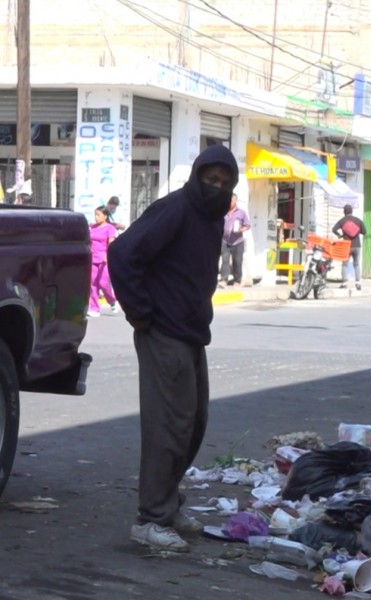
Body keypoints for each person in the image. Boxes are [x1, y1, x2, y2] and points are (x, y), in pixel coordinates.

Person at [107, 144, 239, 553]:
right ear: (196, 175)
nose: (215, 187)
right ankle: (151, 518)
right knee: (169, 425)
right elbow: (122, 253)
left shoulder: (212, 218)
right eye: (209, 179)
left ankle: (168, 503)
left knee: (193, 423)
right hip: (163, 330)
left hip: (191, 331)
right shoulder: (177, 208)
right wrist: (140, 313)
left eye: (223, 182)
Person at [88, 205, 119, 317]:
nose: (96, 217)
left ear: (105, 216)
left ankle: (112, 300)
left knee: (103, 283)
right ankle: (94, 309)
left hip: (104, 259)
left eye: (98, 215)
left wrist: (107, 255)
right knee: (93, 284)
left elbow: (111, 243)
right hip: (92, 259)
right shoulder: (92, 228)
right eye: (95, 215)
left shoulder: (110, 228)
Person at [332, 204, 366, 291]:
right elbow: (364, 231)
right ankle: (358, 283)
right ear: (352, 211)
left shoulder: (342, 221)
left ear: (344, 212)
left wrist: (340, 235)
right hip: (357, 245)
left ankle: (344, 283)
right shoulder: (358, 220)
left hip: (346, 246)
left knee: (345, 264)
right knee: (356, 264)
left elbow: (334, 229)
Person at [219, 193, 250, 288]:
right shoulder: (223, 211)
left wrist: (240, 229)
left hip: (237, 241)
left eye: (231, 201)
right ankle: (224, 280)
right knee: (225, 261)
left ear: (235, 201)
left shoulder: (241, 213)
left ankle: (237, 280)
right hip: (225, 241)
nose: (229, 202)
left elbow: (247, 225)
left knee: (237, 261)